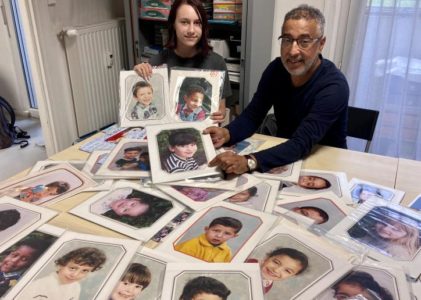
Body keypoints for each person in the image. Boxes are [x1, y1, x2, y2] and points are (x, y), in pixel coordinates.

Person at [204, 4, 349, 174]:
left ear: (321, 43)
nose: (293, 51)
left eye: (304, 41)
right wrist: (227, 133)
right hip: (287, 156)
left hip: (326, 163)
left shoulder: (334, 86)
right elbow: (253, 115)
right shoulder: (276, 69)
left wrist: (250, 161)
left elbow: (301, 142)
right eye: (287, 40)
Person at [134, 0, 232, 123]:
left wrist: (220, 114)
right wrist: (137, 76)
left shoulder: (217, 63)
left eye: (197, 23)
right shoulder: (155, 63)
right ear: (173, 24)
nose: (191, 30)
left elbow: (221, 109)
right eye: (184, 22)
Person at [17, 246, 106, 300]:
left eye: (84, 271)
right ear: (61, 265)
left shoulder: (76, 287)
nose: (75, 275)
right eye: (72, 268)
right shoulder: (37, 285)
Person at [348, 208, 420, 260]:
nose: (385, 229)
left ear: (409, 236)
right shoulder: (373, 236)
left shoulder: (398, 252)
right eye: (383, 223)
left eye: (396, 229)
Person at [174, 216, 242, 262]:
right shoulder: (190, 245)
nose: (219, 235)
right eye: (216, 230)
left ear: (234, 236)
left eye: (227, 233)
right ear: (206, 229)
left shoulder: (227, 251)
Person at [101, 190, 173, 228]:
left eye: (125, 210)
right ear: (135, 198)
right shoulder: (125, 190)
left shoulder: (98, 210)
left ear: (119, 214)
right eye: (132, 204)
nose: (125, 206)